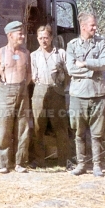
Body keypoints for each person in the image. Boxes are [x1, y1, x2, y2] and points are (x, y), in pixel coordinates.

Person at [66, 13, 105, 177]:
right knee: (79, 132)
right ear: (83, 26)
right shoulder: (72, 46)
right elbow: (71, 69)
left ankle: (97, 165)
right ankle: (81, 165)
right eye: (92, 25)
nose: (95, 28)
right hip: (78, 95)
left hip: (98, 93)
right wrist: (93, 70)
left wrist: (85, 63)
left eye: (95, 25)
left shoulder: (101, 43)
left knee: (97, 133)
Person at [0, 21, 31, 173]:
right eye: (19, 33)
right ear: (10, 35)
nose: (22, 36)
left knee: (23, 128)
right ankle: (3, 164)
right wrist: (2, 91)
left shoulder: (26, 53)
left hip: (22, 91)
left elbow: (29, 74)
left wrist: (22, 88)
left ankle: (20, 163)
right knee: (4, 128)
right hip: (4, 92)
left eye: (22, 33)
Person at [30, 25, 70, 169]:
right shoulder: (33, 55)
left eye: (46, 37)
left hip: (56, 91)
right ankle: (39, 161)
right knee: (38, 127)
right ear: (37, 39)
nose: (43, 41)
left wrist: (61, 88)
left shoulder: (61, 53)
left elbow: (68, 74)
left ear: (51, 37)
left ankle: (63, 162)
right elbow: (32, 76)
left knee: (60, 127)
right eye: (40, 38)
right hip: (39, 91)